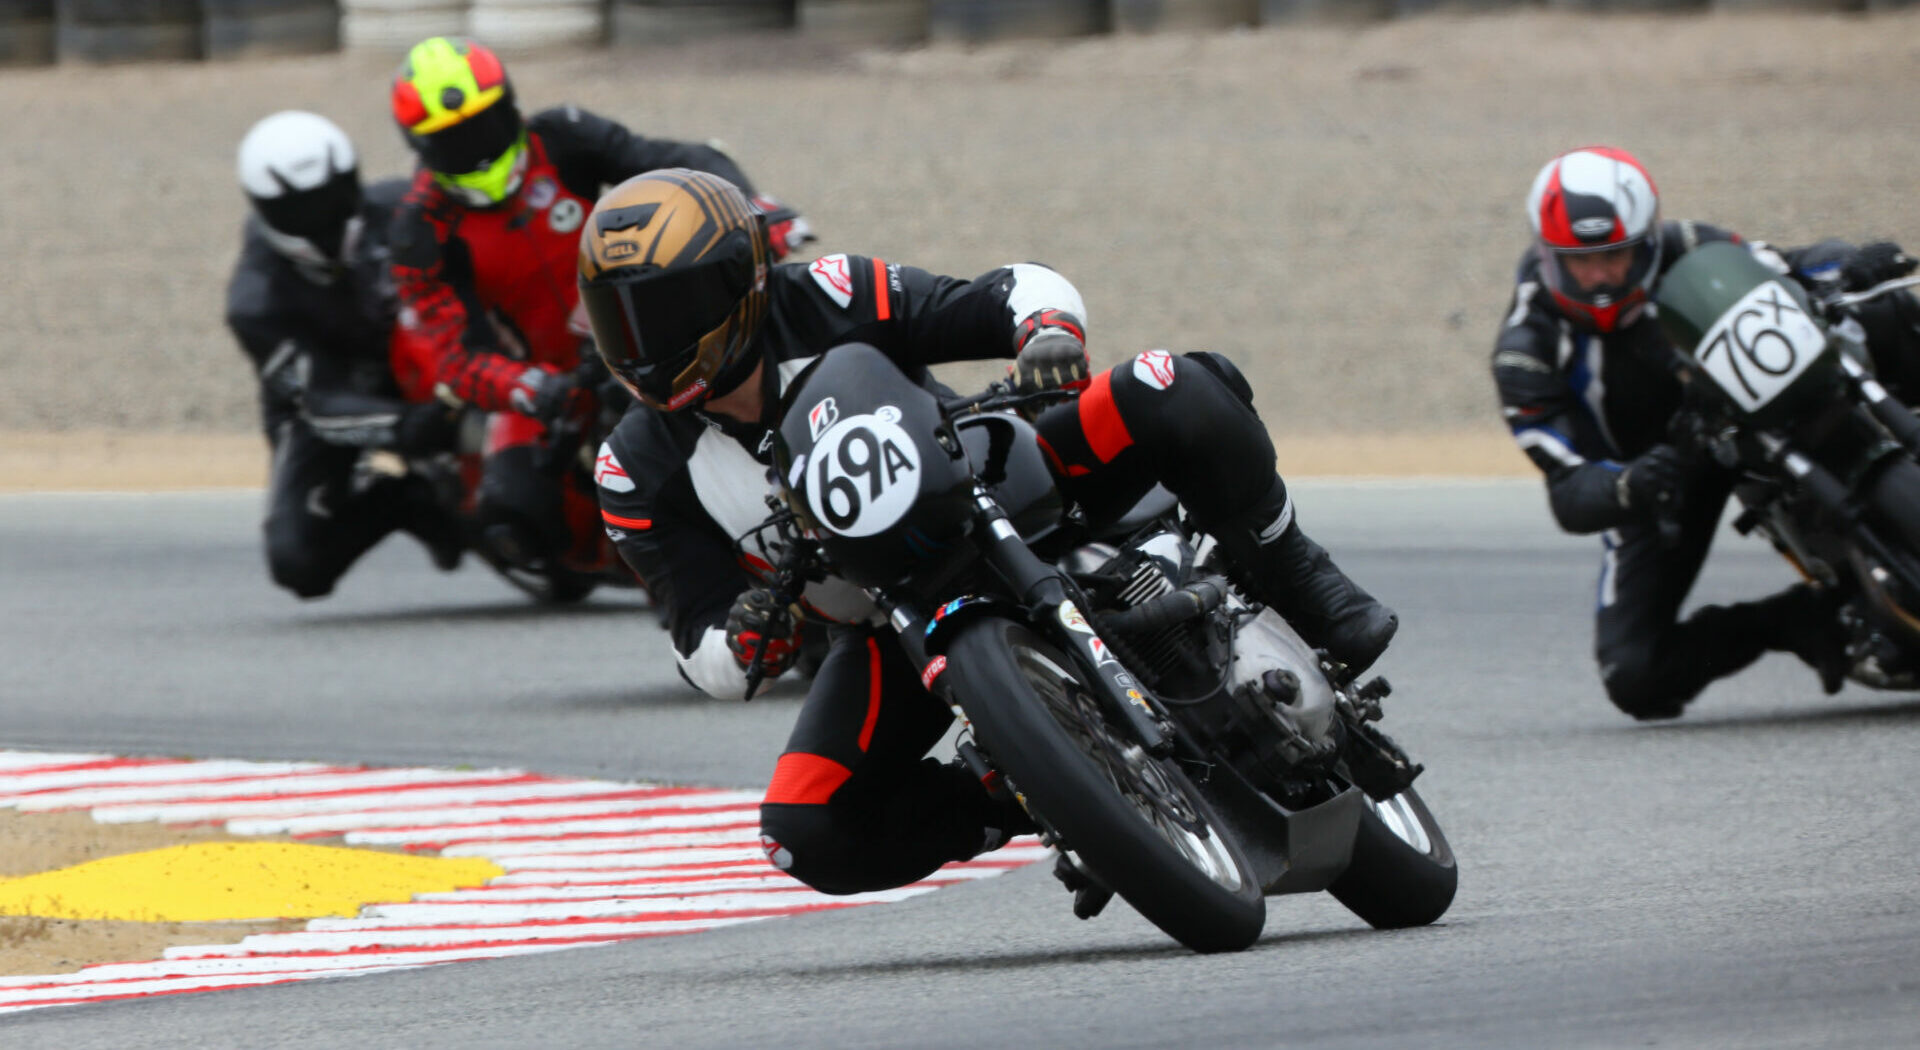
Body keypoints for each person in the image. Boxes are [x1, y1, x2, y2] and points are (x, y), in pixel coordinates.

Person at [578, 169, 1397, 896]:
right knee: (801, 829)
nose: (646, 348)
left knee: (1171, 384)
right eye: (622, 323)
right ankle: (1022, 792)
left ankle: (1300, 574)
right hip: (881, 625)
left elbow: (1002, 292)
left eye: (667, 312)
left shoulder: (824, 294)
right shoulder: (632, 470)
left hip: (999, 485)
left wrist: (1046, 334)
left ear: (739, 284)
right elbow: (698, 643)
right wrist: (752, 634)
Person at [1491, 145, 1920, 720]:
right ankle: (1805, 619)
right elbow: (1569, 491)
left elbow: (1786, 269)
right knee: (1635, 674)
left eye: (1615, 255)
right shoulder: (1528, 350)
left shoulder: (1690, 248)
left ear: (1646, 239)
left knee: (1886, 312)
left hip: (1758, 405)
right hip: (1663, 468)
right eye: (1579, 260)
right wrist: (1632, 484)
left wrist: (1850, 265)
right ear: (1549, 257)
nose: (1598, 275)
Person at [387, 36, 811, 578]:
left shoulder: (563, 136)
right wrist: (531, 387)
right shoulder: (418, 230)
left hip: (645, 328)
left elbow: (679, 161)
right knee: (516, 514)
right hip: (552, 379)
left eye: (485, 125)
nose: (478, 150)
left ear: (510, 107)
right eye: (454, 140)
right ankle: (652, 568)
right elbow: (454, 354)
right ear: (423, 148)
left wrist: (752, 213)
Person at [227, 110, 466, 600]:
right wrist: (407, 426)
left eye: (332, 199)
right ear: (267, 210)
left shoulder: (404, 208)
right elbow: (316, 404)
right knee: (298, 562)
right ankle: (402, 501)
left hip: (427, 358)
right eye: (300, 211)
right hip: (327, 400)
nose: (322, 221)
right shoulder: (256, 301)